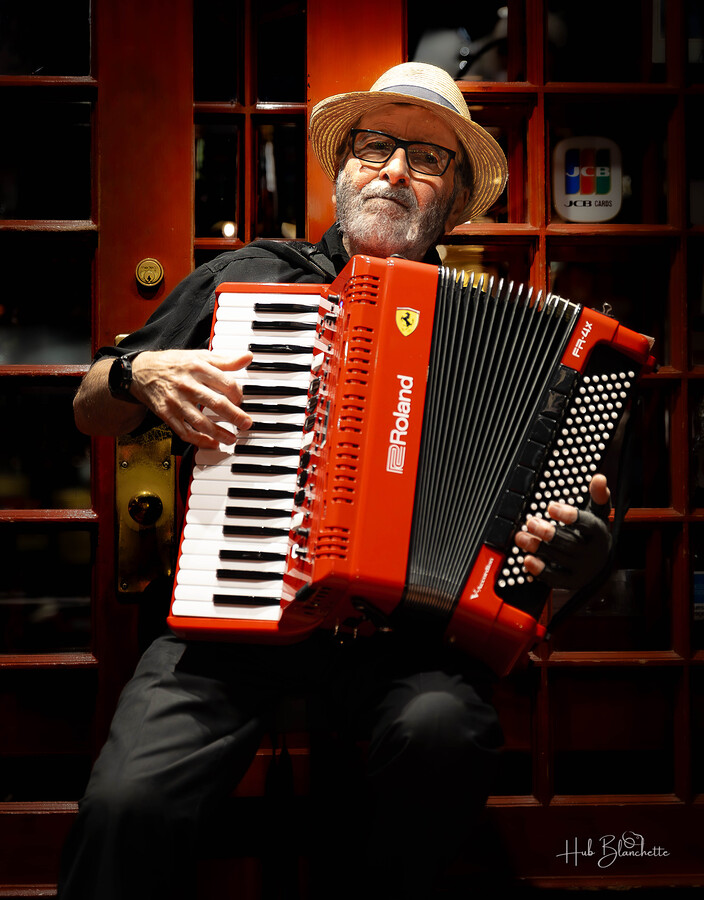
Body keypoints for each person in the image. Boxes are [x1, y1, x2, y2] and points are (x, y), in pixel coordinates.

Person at [59, 63, 612, 900]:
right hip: (236, 619)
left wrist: (582, 550)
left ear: (456, 199)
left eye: (427, 158)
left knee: (445, 735)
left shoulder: (516, 334)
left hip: (404, 642)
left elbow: (566, 536)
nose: (394, 170)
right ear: (343, 166)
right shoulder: (254, 277)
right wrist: (140, 375)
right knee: (126, 802)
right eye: (375, 146)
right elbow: (89, 406)